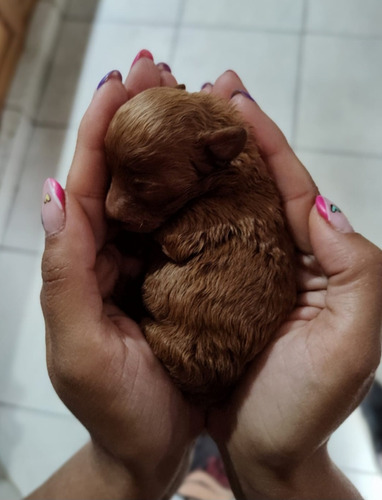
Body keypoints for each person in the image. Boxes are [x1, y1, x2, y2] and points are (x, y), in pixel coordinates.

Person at [26, 50, 382, 500]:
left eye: (140, 187)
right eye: (117, 178)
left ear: (216, 154)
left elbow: (181, 242)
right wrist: (281, 474)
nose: (114, 207)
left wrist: (125, 466)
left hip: (199, 331)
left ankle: (199, 465)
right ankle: (215, 464)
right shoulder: (212, 161)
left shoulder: (228, 200)